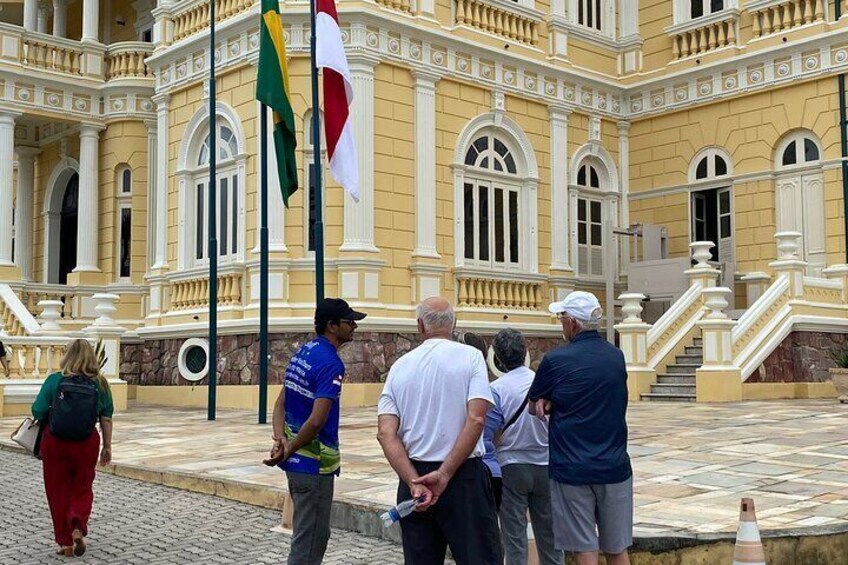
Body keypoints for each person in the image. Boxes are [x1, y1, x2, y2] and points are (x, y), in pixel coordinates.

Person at [377, 297, 501, 565]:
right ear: (454, 325)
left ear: (420, 326)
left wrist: (412, 481)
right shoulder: (471, 357)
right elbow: (477, 419)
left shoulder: (400, 366)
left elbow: (386, 433)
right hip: (462, 474)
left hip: (415, 478)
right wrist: (444, 474)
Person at [528, 291, 633, 565]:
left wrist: (550, 401)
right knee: (617, 548)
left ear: (573, 323)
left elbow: (533, 405)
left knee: (583, 548)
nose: (561, 324)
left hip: (572, 468)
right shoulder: (616, 357)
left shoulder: (555, 360)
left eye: (562, 318)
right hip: (614, 466)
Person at [265, 298, 366, 565]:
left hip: (295, 465)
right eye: (348, 321)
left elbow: (279, 404)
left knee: (305, 535)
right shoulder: (331, 364)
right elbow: (316, 421)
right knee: (310, 542)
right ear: (332, 326)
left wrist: (281, 440)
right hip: (314, 466)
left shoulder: (304, 352)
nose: (354, 326)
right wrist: (290, 446)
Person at [484, 329, 562, 565]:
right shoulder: (546, 382)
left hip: (511, 466)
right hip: (546, 463)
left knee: (514, 537)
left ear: (497, 358)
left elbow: (489, 434)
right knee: (550, 537)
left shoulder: (496, 390)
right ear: (525, 353)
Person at [31, 339, 113, 558]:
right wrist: (107, 446)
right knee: (83, 487)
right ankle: (77, 525)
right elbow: (106, 418)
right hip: (86, 443)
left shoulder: (54, 381)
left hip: (55, 443)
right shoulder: (100, 383)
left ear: (67, 356)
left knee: (57, 492)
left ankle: (65, 543)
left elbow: (38, 411)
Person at [459, 332, 503, 509]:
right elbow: (498, 434)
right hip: (492, 469)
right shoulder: (493, 393)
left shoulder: (461, 391)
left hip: (470, 471)